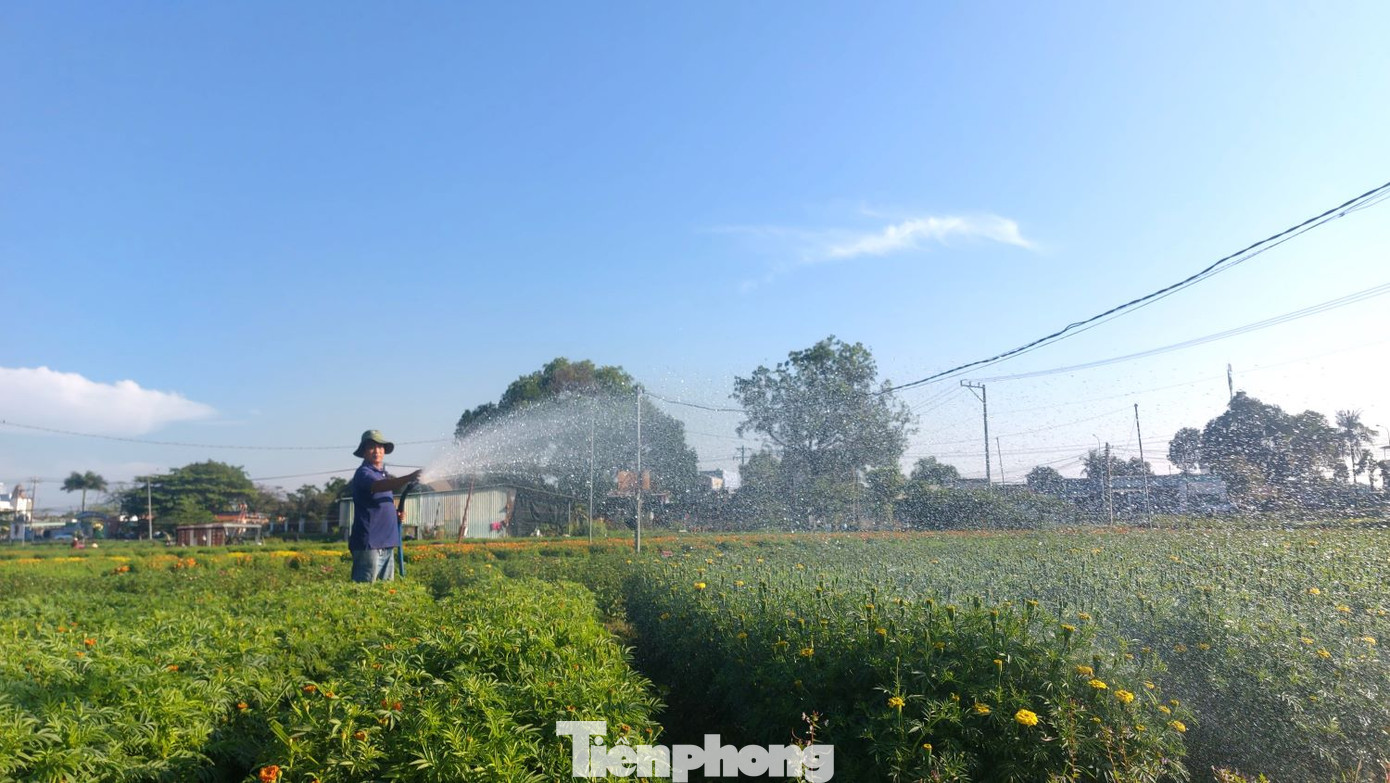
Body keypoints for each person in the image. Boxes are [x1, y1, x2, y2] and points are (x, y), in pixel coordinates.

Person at [348, 430, 421, 583]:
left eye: (380, 447)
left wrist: (395, 514)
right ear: (364, 452)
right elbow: (378, 486)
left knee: (386, 592)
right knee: (365, 591)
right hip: (370, 544)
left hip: (387, 542)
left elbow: (380, 501)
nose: (377, 451)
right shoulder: (364, 473)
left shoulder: (382, 475)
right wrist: (409, 477)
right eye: (372, 447)